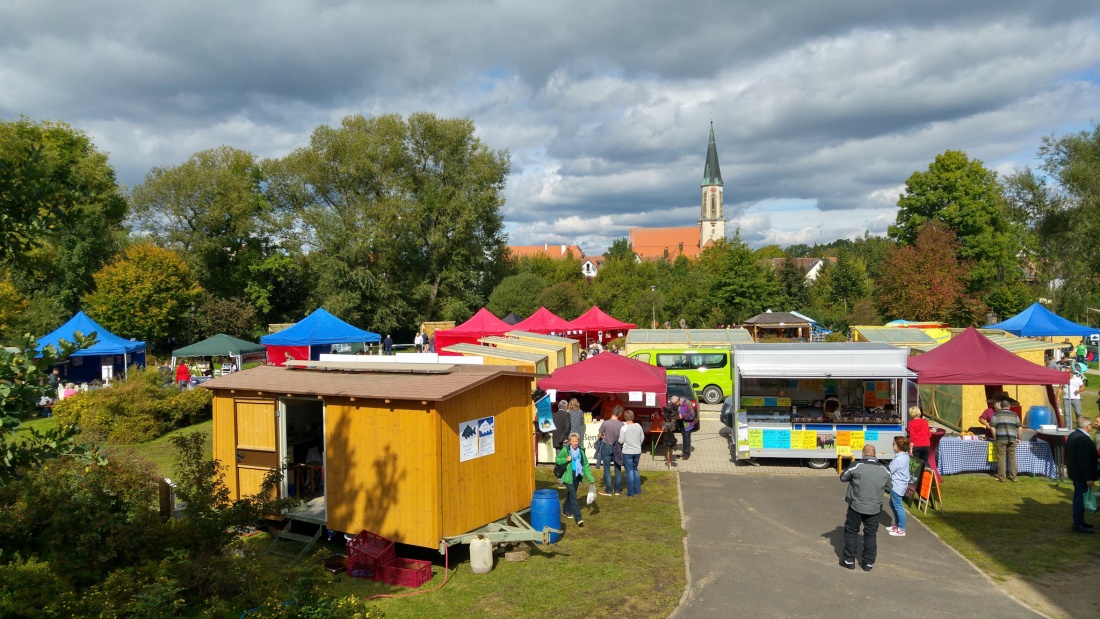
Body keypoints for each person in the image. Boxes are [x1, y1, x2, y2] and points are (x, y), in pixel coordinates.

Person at [839, 444, 892, 571]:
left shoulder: (856, 465)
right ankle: (868, 563)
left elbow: (843, 477)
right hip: (874, 507)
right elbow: (890, 487)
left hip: (856, 505)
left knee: (851, 532)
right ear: (875, 454)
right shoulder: (885, 469)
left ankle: (849, 560)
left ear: (863, 454)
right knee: (870, 534)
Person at [1068, 416, 1099, 533]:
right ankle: (1079, 524)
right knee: (1081, 499)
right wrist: (1088, 478)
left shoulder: (1073, 435)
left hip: (1075, 473)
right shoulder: (1083, 439)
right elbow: (1084, 460)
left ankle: (1079, 521)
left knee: (1078, 497)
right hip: (1082, 475)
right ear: (1087, 426)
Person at [555, 432, 593, 528]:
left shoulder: (581, 451)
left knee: (571, 494)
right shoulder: (565, 450)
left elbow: (586, 465)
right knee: (574, 496)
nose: (575, 443)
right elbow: (557, 460)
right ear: (570, 442)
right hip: (568, 476)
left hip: (577, 475)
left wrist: (591, 479)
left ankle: (565, 509)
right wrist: (565, 459)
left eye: (576, 441)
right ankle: (579, 519)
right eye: (573, 441)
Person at [991, 400, 1022, 482]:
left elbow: (992, 427)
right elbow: (1020, 427)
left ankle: (1002, 477)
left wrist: (994, 437)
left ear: (1001, 406)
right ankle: (1014, 477)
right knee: (1012, 458)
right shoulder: (1015, 415)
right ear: (1009, 406)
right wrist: (1018, 438)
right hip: (1012, 439)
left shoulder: (996, 415)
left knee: (1001, 458)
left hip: (1000, 439)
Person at [597, 406, 625, 495]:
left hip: (606, 446)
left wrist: (604, 437)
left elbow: (599, 434)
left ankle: (608, 490)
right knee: (618, 468)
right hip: (617, 447)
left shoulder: (605, 423)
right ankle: (617, 490)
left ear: (612, 411)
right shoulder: (621, 425)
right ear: (620, 414)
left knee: (607, 469)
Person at [887, 437, 911, 537]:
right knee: (892, 504)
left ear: (898, 446)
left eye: (894, 444)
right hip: (899, 484)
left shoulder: (899, 458)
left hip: (897, 485)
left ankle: (901, 528)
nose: (893, 446)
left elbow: (889, 470)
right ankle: (897, 524)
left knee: (898, 507)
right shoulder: (904, 456)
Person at [618, 410, 645, 496]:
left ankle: (631, 491)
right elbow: (642, 437)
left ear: (625, 418)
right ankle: (637, 490)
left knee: (629, 471)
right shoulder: (638, 426)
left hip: (627, 451)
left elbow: (621, 441)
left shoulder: (623, 428)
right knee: (635, 469)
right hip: (637, 451)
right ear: (633, 417)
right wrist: (638, 444)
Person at [678, 394, 696, 461]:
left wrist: (683, 416)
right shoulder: (680, 404)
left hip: (688, 424)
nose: (677, 404)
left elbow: (691, 415)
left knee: (687, 439)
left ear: (679, 401)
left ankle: (687, 454)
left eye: (678, 403)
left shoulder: (687, 403)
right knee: (684, 438)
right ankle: (684, 452)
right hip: (682, 424)